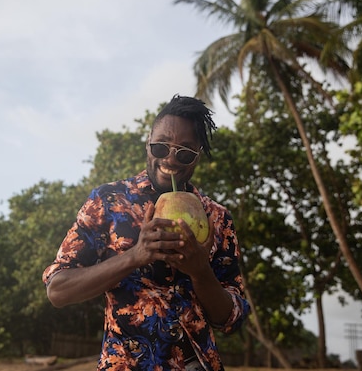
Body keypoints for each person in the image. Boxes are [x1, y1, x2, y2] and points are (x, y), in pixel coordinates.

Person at [42, 95, 250, 371]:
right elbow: (58, 289)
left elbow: (231, 319)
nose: (171, 159)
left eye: (185, 152)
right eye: (161, 146)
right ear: (148, 141)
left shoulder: (217, 218)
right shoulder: (108, 202)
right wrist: (135, 256)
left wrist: (200, 271)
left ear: (198, 154)